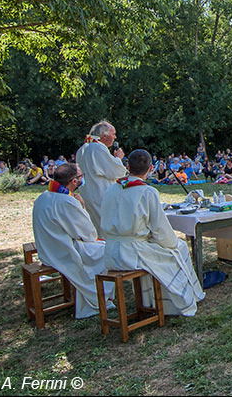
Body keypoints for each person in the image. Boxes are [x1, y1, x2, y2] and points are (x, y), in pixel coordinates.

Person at [100, 149, 204, 316]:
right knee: (179, 248)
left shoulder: (110, 190)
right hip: (133, 252)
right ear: (150, 169)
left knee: (171, 249)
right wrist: (170, 243)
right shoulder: (147, 192)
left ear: (127, 166)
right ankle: (172, 302)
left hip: (110, 251)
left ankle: (151, 300)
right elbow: (160, 228)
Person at [32, 163, 113, 318]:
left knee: (102, 246)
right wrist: (82, 206)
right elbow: (88, 233)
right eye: (81, 176)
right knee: (108, 251)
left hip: (47, 248)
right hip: (64, 251)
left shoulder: (43, 197)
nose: (82, 179)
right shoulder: (66, 201)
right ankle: (99, 296)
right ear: (74, 181)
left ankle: (105, 293)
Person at [75, 121, 127, 235]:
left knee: (96, 227)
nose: (115, 137)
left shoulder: (82, 149)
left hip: (88, 194)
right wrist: (118, 158)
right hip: (100, 194)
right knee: (107, 229)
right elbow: (116, 172)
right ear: (104, 135)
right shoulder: (97, 148)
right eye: (113, 134)